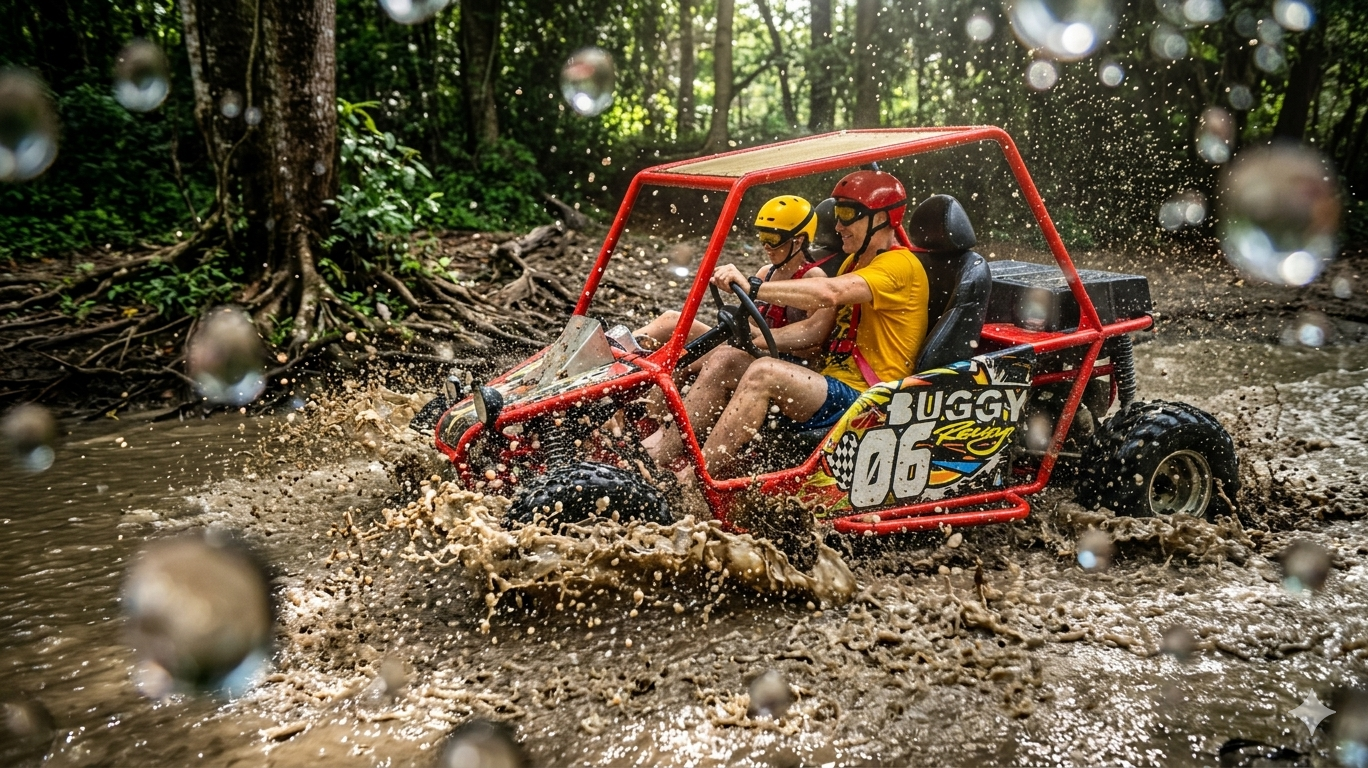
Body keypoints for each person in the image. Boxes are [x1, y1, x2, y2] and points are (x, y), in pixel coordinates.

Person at [648, 170, 930, 478]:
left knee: (764, 372)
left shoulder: (901, 265)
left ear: (884, 218)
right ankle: (658, 463)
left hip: (870, 398)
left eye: (847, 215)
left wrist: (753, 287)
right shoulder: (855, 262)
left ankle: (695, 482)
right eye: (837, 214)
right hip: (828, 381)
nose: (837, 226)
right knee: (727, 358)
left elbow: (827, 294)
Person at [633, 194, 828, 352]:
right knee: (671, 320)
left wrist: (753, 335)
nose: (766, 246)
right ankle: (613, 355)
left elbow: (811, 349)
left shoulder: (814, 278)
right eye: (762, 237)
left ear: (799, 240)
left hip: (780, 361)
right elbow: (749, 324)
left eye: (773, 238)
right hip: (750, 349)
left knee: (684, 360)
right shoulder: (765, 273)